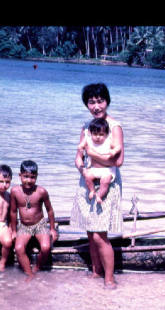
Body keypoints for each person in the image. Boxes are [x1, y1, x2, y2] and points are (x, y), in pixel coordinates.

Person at [70, 83, 124, 290]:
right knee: (90, 232)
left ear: (107, 101)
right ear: (86, 105)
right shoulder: (86, 127)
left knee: (100, 234)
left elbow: (118, 162)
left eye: (100, 101)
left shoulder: (115, 127)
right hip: (88, 181)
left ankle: (109, 278)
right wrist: (82, 168)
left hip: (107, 183)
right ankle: (96, 271)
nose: (96, 106)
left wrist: (93, 157)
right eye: (91, 102)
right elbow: (78, 156)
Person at [10, 160, 58, 280]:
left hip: (40, 224)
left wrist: (52, 229)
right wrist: (14, 230)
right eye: (25, 176)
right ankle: (29, 273)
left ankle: (36, 268)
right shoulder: (15, 191)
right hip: (24, 226)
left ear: (36, 177)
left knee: (46, 247)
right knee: (19, 248)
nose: (28, 180)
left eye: (32, 177)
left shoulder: (41, 191)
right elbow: (13, 212)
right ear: (20, 176)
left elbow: (50, 210)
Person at [77, 117, 121, 204]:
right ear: (90, 133)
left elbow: (118, 147)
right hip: (93, 168)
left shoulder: (108, 141)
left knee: (105, 181)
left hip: (107, 170)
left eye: (101, 134)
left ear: (106, 134)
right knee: (87, 176)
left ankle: (99, 195)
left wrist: (114, 151)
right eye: (95, 134)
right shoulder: (88, 139)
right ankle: (92, 190)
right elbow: (81, 145)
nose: (97, 137)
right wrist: (81, 147)